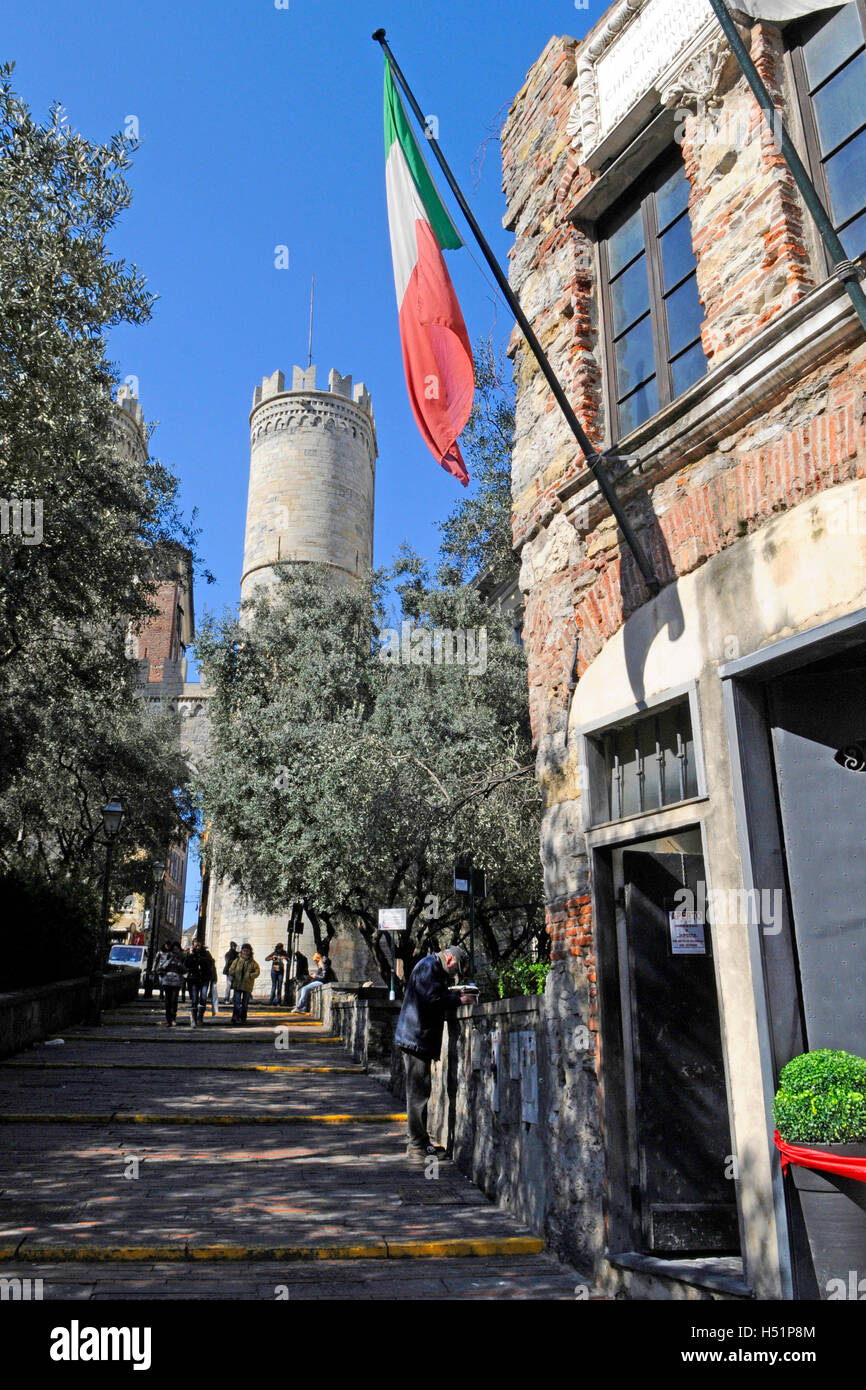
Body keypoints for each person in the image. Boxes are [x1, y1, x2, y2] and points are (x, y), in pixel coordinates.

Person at [394, 944, 470, 1158]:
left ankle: (419, 1142)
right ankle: (418, 1146)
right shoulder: (429, 968)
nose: (455, 975)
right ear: (450, 960)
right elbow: (431, 999)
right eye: (456, 970)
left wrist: (451, 993)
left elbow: (432, 994)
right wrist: (458, 999)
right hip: (415, 1039)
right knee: (418, 1095)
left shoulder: (429, 966)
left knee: (418, 1093)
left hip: (414, 1038)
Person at [154, 940, 188, 1027]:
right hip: (167, 981)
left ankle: (173, 1018)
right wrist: (169, 960)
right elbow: (162, 967)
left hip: (176, 982)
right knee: (167, 1001)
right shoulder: (167, 955)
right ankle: (168, 1019)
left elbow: (184, 970)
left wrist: (178, 963)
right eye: (174, 949)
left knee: (174, 1001)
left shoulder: (182, 956)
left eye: (177, 949)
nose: (175, 951)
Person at [186, 940, 217, 1027]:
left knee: (203, 998)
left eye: (199, 945)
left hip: (204, 979)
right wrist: (191, 955)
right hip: (194, 979)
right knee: (195, 999)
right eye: (195, 946)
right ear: (193, 946)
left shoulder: (206, 954)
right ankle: (193, 1019)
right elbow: (187, 964)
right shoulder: (190, 954)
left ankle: (200, 1017)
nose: (197, 947)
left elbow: (210, 963)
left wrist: (200, 958)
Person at [228, 943, 260, 1024]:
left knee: (245, 1004)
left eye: (247, 951)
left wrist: (250, 975)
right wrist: (234, 973)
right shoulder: (237, 960)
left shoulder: (252, 962)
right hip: (237, 985)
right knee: (237, 1003)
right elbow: (231, 970)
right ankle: (235, 1018)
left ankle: (243, 1018)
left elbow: (257, 971)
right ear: (241, 951)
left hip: (247, 985)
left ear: (249, 952)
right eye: (244, 951)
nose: (245, 952)